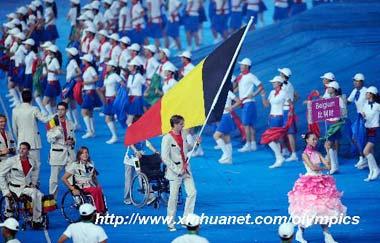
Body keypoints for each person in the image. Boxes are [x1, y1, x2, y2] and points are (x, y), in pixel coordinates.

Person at [288, 132, 346, 243]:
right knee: (307, 209)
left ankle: (327, 235)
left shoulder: (318, 153)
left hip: (320, 182)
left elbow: (329, 166)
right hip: (309, 183)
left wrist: (327, 150)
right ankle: (299, 233)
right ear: (307, 140)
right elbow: (313, 168)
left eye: (316, 139)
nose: (315, 141)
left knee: (323, 208)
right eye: (313, 139)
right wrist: (323, 168)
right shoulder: (304, 154)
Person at [161, 115, 197, 231]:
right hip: (175, 173)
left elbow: (188, 148)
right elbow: (165, 158)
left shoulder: (184, 134)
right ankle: (170, 223)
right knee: (173, 198)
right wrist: (177, 170)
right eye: (181, 124)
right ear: (175, 124)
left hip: (186, 170)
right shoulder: (167, 138)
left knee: (192, 193)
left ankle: (186, 220)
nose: (183, 125)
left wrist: (196, 144)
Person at [0, 142, 45, 226]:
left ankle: (36, 219)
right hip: (14, 188)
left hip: (26, 187)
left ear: (28, 151)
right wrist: (5, 191)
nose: (21, 150)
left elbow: (35, 171)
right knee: (36, 193)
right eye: (20, 148)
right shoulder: (11, 161)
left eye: (24, 149)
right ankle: (35, 218)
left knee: (39, 194)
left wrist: (34, 183)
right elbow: (1, 175)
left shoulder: (32, 160)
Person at [12, 89, 50, 181]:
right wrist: (55, 116)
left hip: (21, 143)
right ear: (31, 99)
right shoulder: (34, 109)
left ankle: (24, 186)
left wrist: (19, 141)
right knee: (36, 165)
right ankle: (35, 184)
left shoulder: (15, 110)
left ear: (22, 98)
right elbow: (44, 120)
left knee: (22, 165)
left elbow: (14, 128)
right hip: (34, 143)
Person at [123, 116, 159, 205]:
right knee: (129, 179)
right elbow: (130, 143)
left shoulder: (143, 131)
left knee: (141, 176)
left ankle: (149, 196)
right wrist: (136, 151)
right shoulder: (131, 131)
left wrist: (155, 150)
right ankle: (127, 198)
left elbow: (147, 142)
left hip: (139, 158)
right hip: (130, 158)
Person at [62, 146, 107, 214]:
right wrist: (72, 189)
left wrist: (98, 185)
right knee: (96, 190)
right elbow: (64, 178)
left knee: (99, 190)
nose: (85, 154)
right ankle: (98, 211)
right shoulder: (75, 165)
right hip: (81, 187)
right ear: (79, 155)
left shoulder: (91, 163)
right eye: (82, 153)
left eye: (86, 153)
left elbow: (94, 177)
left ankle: (103, 211)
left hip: (91, 185)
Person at [47, 102, 76, 198]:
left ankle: (77, 199)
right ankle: (52, 200)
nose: (60, 111)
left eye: (62, 109)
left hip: (70, 154)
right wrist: (57, 133)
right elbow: (49, 139)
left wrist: (72, 142)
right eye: (58, 109)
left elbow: (73, 138)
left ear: (66, 110)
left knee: (72, 177)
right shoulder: (52, 122)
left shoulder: (70, 123)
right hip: (57, 155)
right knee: (54, 180)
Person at [235, 57, 264, 152]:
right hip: (245, 103)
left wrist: (253, 94)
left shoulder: (251, 76)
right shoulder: (240, 76)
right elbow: (238, 88)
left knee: (246, 124)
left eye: (242, 65)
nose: (240, 66)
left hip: (249, 103)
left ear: (247, 66)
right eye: (240, 65)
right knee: (250, 125)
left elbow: (260, 86)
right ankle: (253, 144)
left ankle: (248, 144)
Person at [262, 76, 288, 168]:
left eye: (274, 82)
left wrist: (287, 116)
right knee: (274, 139)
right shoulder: (272, 92)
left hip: (279, 118)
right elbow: (266, 105)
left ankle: (279, 157)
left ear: (279, 83)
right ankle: (278, 159)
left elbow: (290, 104)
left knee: (268, 138)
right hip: (272, 118)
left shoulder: (284, 93)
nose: (272, 83)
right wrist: (263, 96)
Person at [346, 73, 367, 169]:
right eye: (354, 81)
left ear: (361, 82)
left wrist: (366, 115)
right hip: (359, 118)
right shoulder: (354, 91)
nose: (354, 82)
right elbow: (348, 102)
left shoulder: (366, 91)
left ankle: (366, 159)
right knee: (355, 138)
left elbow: (371, 104)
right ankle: (362, 157)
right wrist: (336, 101)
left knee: (363, 139)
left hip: (366, 118)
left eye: (356, 81)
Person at [214, 90, 241, 164]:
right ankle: (229, 159)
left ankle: (226, 155)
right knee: (226, 137)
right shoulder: (216, 92)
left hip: (226, 116)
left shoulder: (228, 92)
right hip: (222, 116)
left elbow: (238, 101)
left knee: (216, 136)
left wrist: (231, 107)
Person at [278, 68, 298, 161]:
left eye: (280, 73)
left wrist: (290, 106)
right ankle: (285, 149)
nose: (279, 74)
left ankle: (294, 154)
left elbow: (292, 98)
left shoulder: (285, 86)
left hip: (286, 110)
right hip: (282, 109)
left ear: (282, 75)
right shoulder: (289, 85)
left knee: (290, 133)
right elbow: (296, 96)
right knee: (281, 131)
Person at [361, 86, 380, 181]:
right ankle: (371, 172)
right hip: (367, 130)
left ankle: (376, 169)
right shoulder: (365, 105)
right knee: (370, 151)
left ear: (372, 94)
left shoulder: (378, 106)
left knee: (366, 151)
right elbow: (364, 116)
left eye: (367, 93)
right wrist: (363, 116)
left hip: (376, 130)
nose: (365, 94)